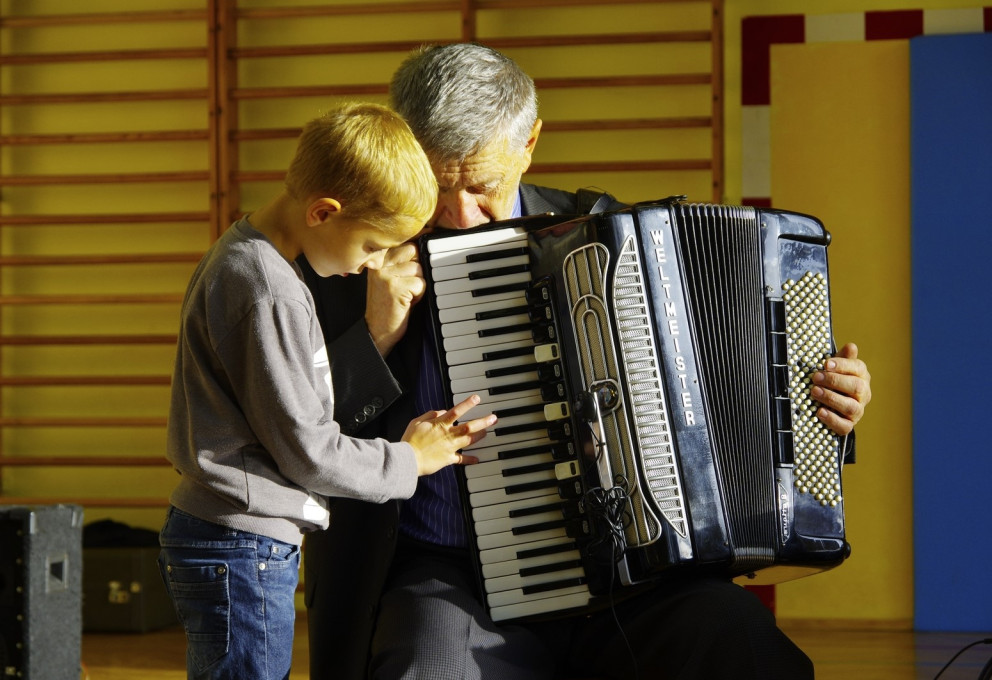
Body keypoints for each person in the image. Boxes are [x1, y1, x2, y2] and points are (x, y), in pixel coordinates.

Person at [301, 44, 873, 680]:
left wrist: (821, 405)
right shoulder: (350, 251)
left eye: (484, 187)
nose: (461, 216)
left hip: (628, 572)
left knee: (745, 648)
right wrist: (374, 333)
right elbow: (298, 428)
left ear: (530, 142)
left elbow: (729, 401)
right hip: (453, 575)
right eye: (439, 186)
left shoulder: (610, 238)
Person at [158, 101, 496, 680]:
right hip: (243, 545)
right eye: (369, 247)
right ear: (323, 212)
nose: (369, 266)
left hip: (234, 538)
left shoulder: (247, 258)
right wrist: (411, 459)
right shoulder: (271, 292)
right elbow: (309, 452)